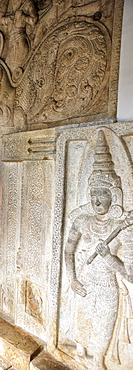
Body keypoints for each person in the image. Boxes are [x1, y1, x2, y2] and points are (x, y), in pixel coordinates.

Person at [64, 130, 133, 369]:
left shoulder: (122, 227)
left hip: (107, 288)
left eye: (102, 195)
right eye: (93, 195)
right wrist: (72, 280)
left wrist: (110, 258)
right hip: (84, 283)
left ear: (114, 195)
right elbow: (68, 251)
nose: (96, 201)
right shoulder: (82, 221)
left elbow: (130, 274)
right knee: (82, 338)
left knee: (98, 354)